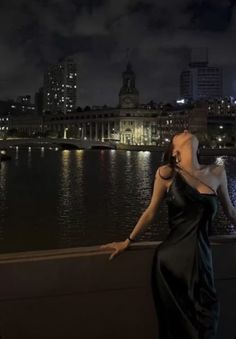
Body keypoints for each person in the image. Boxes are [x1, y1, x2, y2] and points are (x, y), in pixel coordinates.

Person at [99, 130, 236, 338]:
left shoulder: (217, 172)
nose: (186, 131)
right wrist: (128, 241)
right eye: (179, 135)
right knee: (177, 327)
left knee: (207, 317)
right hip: (171, 262)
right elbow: (150, 212)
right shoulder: (166, 173)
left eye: (187, 131)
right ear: (175, 153)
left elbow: (231, 212)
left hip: (201, 259)